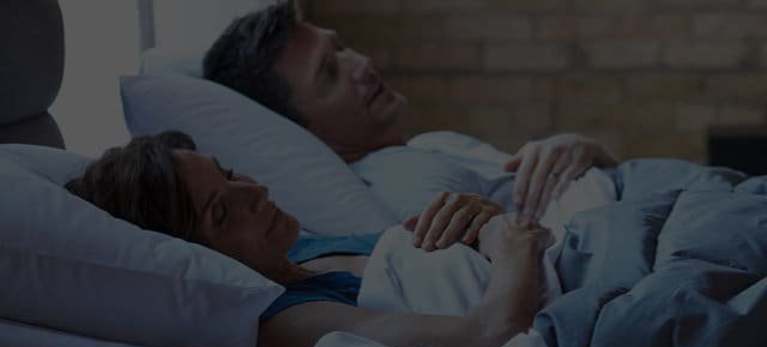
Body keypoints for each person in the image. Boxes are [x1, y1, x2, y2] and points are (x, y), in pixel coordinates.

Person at [65, 132, 552, 347]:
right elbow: (486, 335)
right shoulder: (285, 322)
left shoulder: (304, 246)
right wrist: (516, 246)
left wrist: (484, 221)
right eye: (222, 212)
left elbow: (487, 246)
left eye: (229, 174)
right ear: (192, 258)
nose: (254, 191)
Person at [201, 1, 619, 228]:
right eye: (329, 72)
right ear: (300, 132)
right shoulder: (400, 186)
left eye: (341, 48)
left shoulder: (431, 145)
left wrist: (586, 151)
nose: (361, 64)